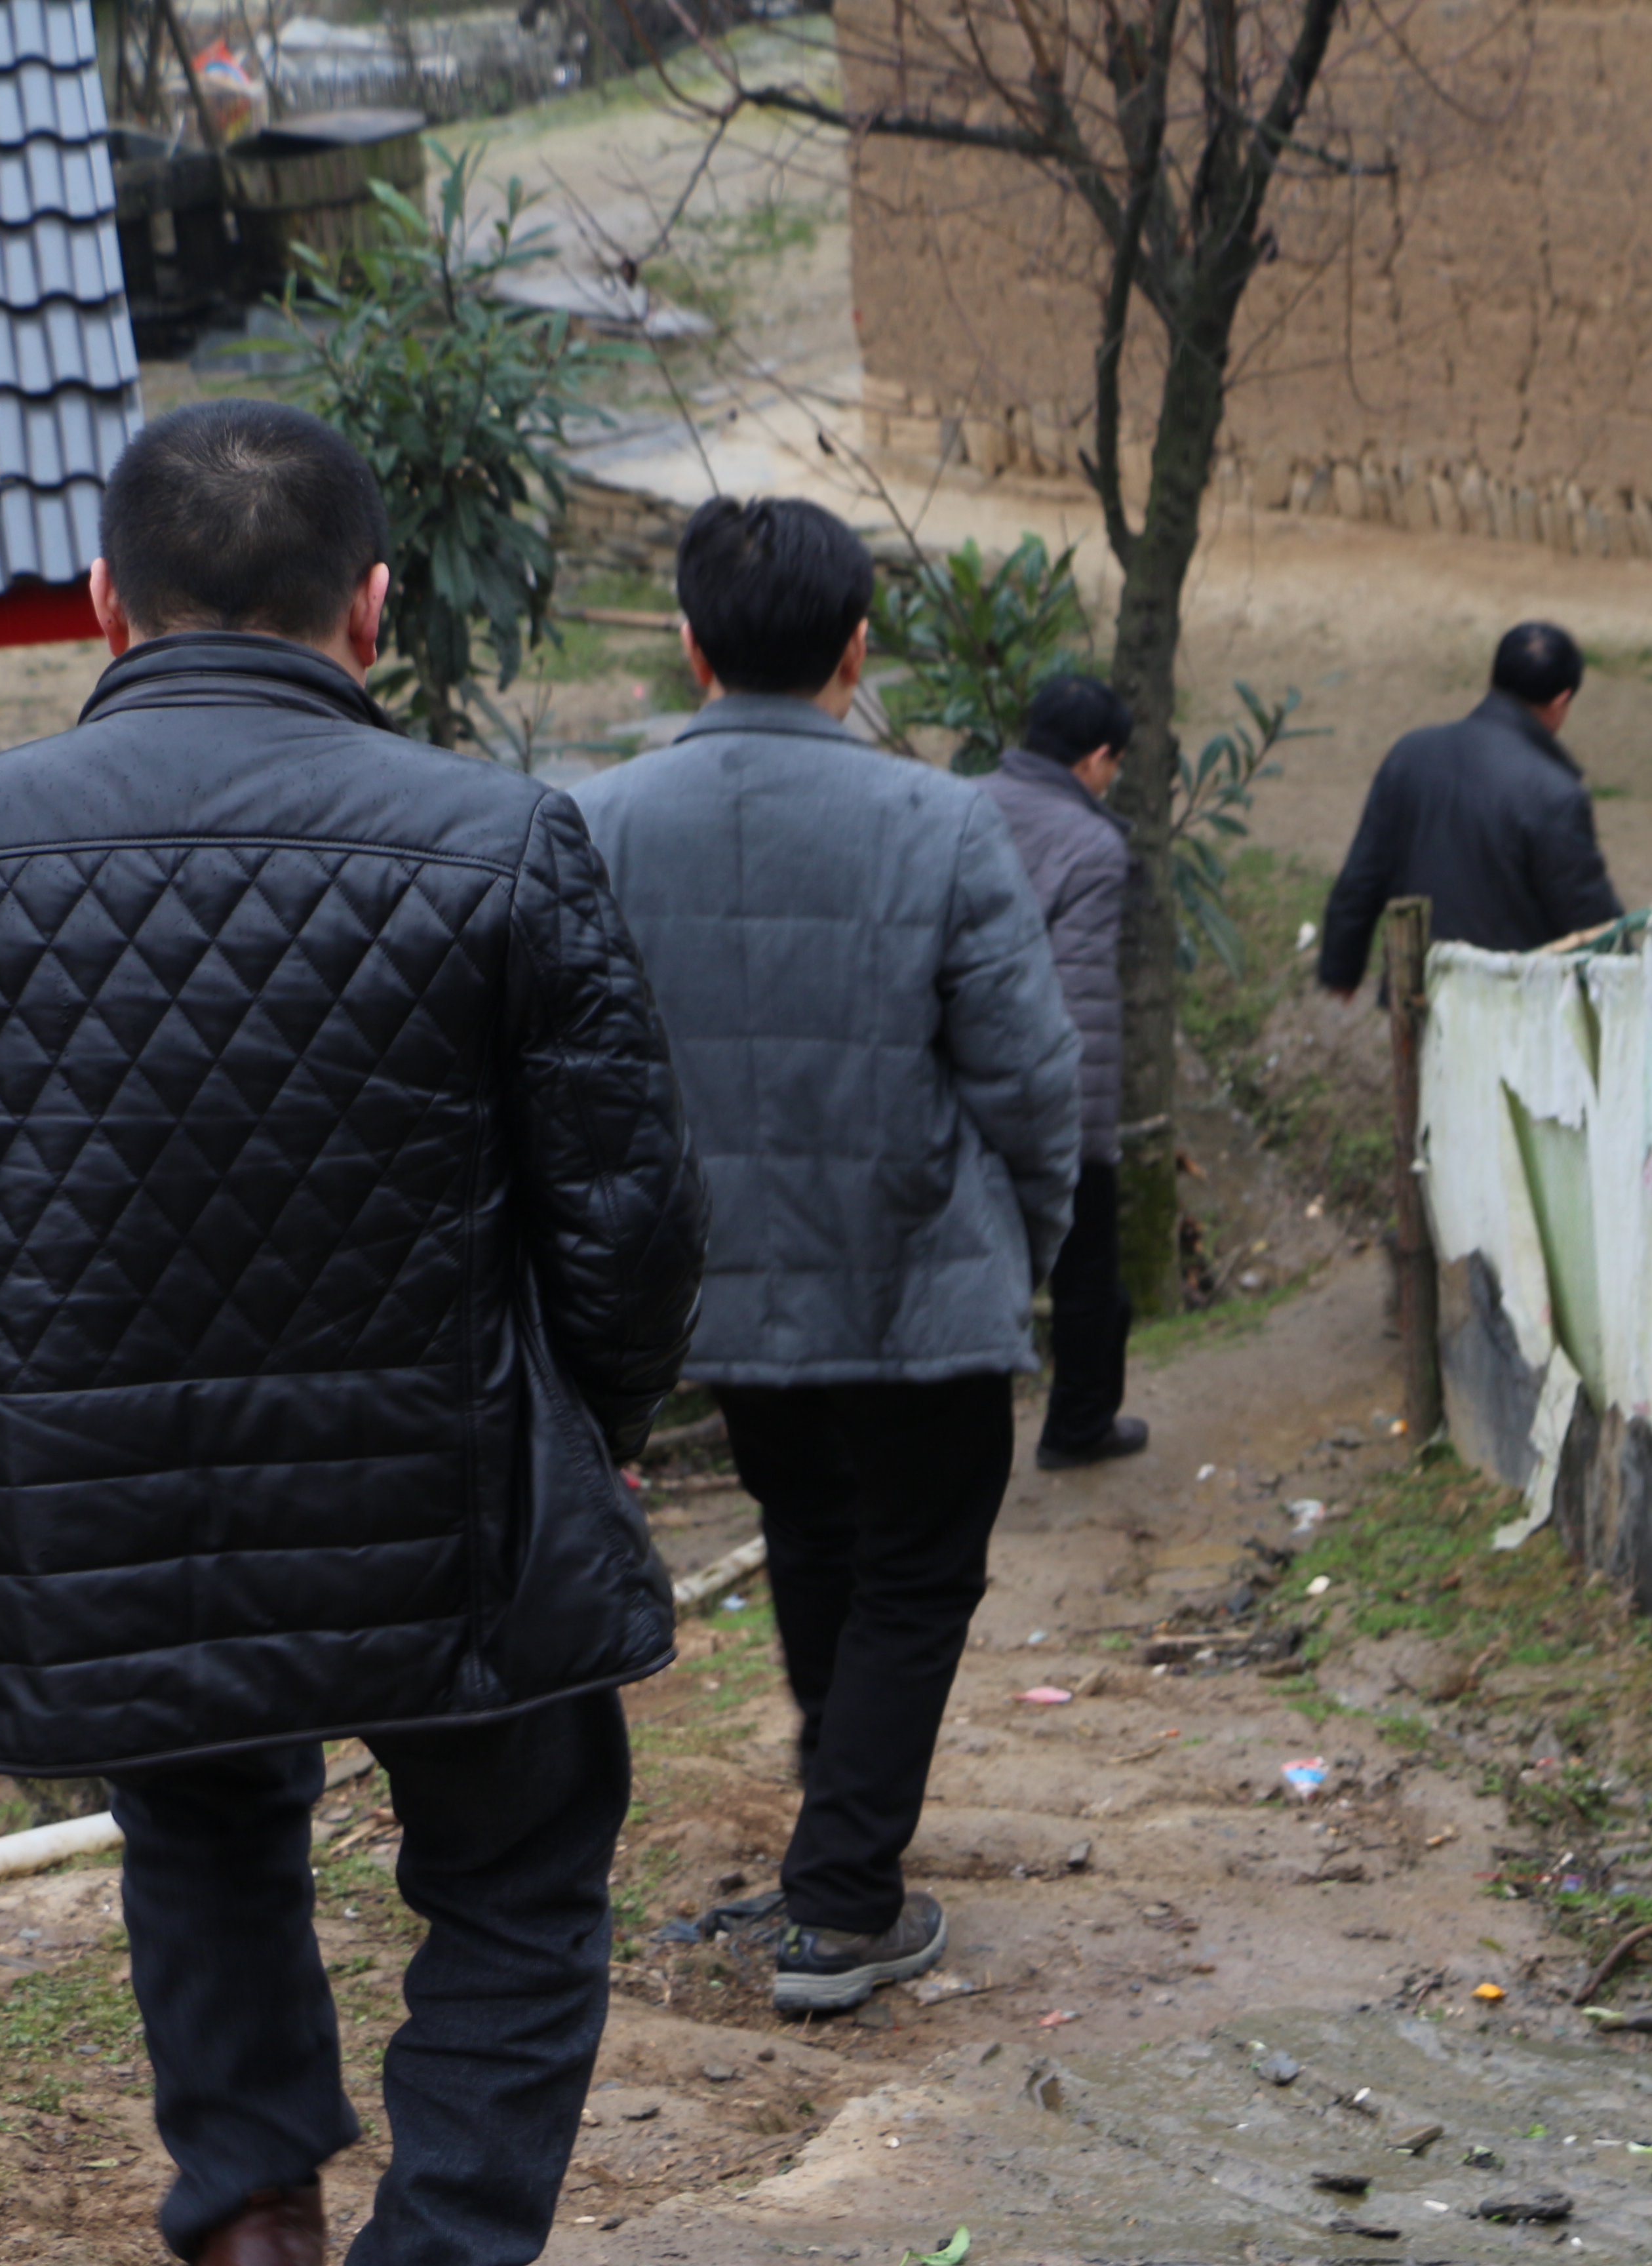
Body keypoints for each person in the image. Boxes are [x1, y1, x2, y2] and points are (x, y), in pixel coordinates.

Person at [0, 399, 707, 2266]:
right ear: (371, 608)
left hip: (92, 1507)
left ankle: (253, 2229)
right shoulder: (503, 841)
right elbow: (627, 1213)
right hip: (448, 1502)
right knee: (520, 1879)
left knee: (197, 1833)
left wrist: (5, 1434)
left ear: (106, 611)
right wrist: (592, 1419)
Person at [570, 496, 1078, 2017]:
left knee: (815, 1530)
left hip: (723, 1296)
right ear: (859, 649)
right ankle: (845, 1898)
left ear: (688, 642)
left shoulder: (596, 823)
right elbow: (1031, 1083)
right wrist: (1021, 1251)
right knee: (915, 1571)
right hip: (919, 1286)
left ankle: (832, 1845)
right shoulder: (940, 819)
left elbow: (576, 1086)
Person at [981, 675, 1149, 1473]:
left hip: (948, 1096)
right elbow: (1081, 997)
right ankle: (1077, 1425)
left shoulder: (955, 805)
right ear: (1097, 759)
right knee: (1088, 1283)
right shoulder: (1092, 847)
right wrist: (1086, 1139)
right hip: (1051, 1099)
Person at [1316, 620, 1622, 995]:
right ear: (1560, 703)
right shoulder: (1555, 793)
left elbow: (1364, 873)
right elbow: (1588, 918)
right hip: (1511, 1005)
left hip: (1417, 994)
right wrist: (1631, 983)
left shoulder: (1411, 753)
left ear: (1493, 676)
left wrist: (1341, 970)